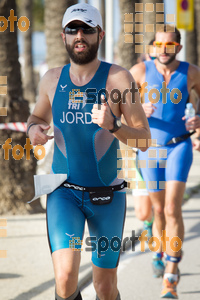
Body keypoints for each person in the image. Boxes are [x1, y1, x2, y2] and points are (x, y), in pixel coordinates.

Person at [27, 3, 150, 300]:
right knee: (66, 277)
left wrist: (114, 126)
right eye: (73, 29)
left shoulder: (120, 79)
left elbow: (144, 139)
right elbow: (36, 119)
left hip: (106, 196)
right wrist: (33, 130)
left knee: (104, 287)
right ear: (63, 36)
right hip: (63, 192)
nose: (79, 34)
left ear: (100, 34)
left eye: (87, 29)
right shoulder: (52, 80)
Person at [130, 25, 200, 299]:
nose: (163, 50)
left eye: (168, 45)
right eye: (158, 45)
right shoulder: (138, 73)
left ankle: (170, 277)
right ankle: (161, 250)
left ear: (178, 48)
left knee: (172, 208)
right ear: (152, 48)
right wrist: (137, 109)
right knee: (158, 211)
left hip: (179, 145)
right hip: (149, 149)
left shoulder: (191, 72)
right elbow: (114, 109)